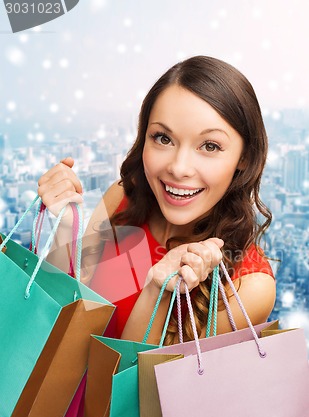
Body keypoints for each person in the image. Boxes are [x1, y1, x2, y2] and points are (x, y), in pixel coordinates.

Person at [37, 55, 276, 345]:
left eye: (210, 146)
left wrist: (158, 292)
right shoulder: (123, 197)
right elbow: (65, 312)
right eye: (163, 138)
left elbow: (140, 385)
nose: (178, 167)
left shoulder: (249, 286)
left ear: (245, 157)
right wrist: (65, 225)